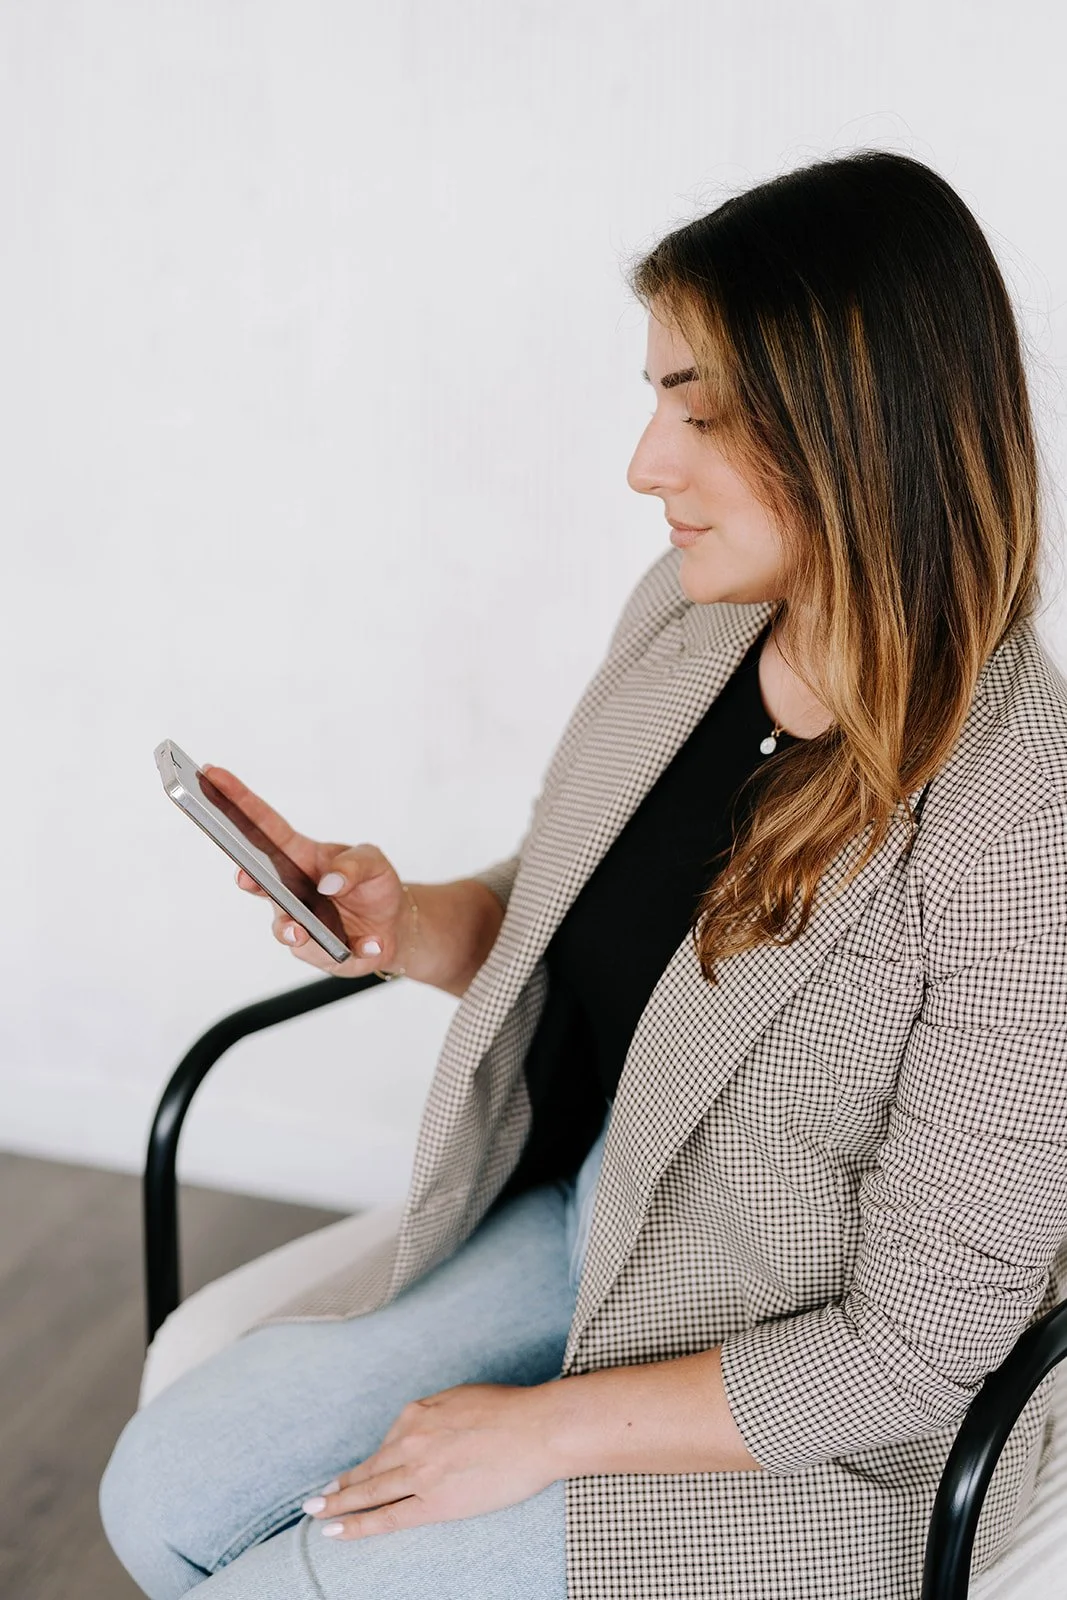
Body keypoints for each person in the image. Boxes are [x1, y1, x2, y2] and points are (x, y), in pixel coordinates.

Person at [99, 148, 1067, 1600]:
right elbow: (590, 911)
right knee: (158, 1498)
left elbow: (920, 1351)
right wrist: (403, 919)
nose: (643, 464)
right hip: (593, 1223)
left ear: (858, 439)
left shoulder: (1013, 830)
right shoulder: (691, 618)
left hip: (807, 1414)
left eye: (703, 412)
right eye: (652, 399)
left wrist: (541, 1434)